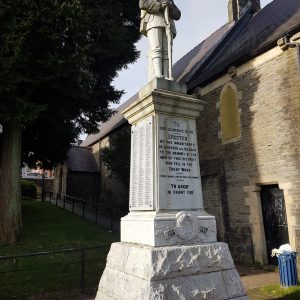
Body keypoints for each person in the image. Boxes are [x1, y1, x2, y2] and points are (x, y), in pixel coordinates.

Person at [139, 0, 181, 80]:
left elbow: (178, 15)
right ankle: (158, 73)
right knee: (156, 49)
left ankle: (165, 75)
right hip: (153, 20)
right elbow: (143, 4)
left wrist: (170, 8)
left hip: (168, 23)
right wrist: (160, 5)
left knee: (167, 51)